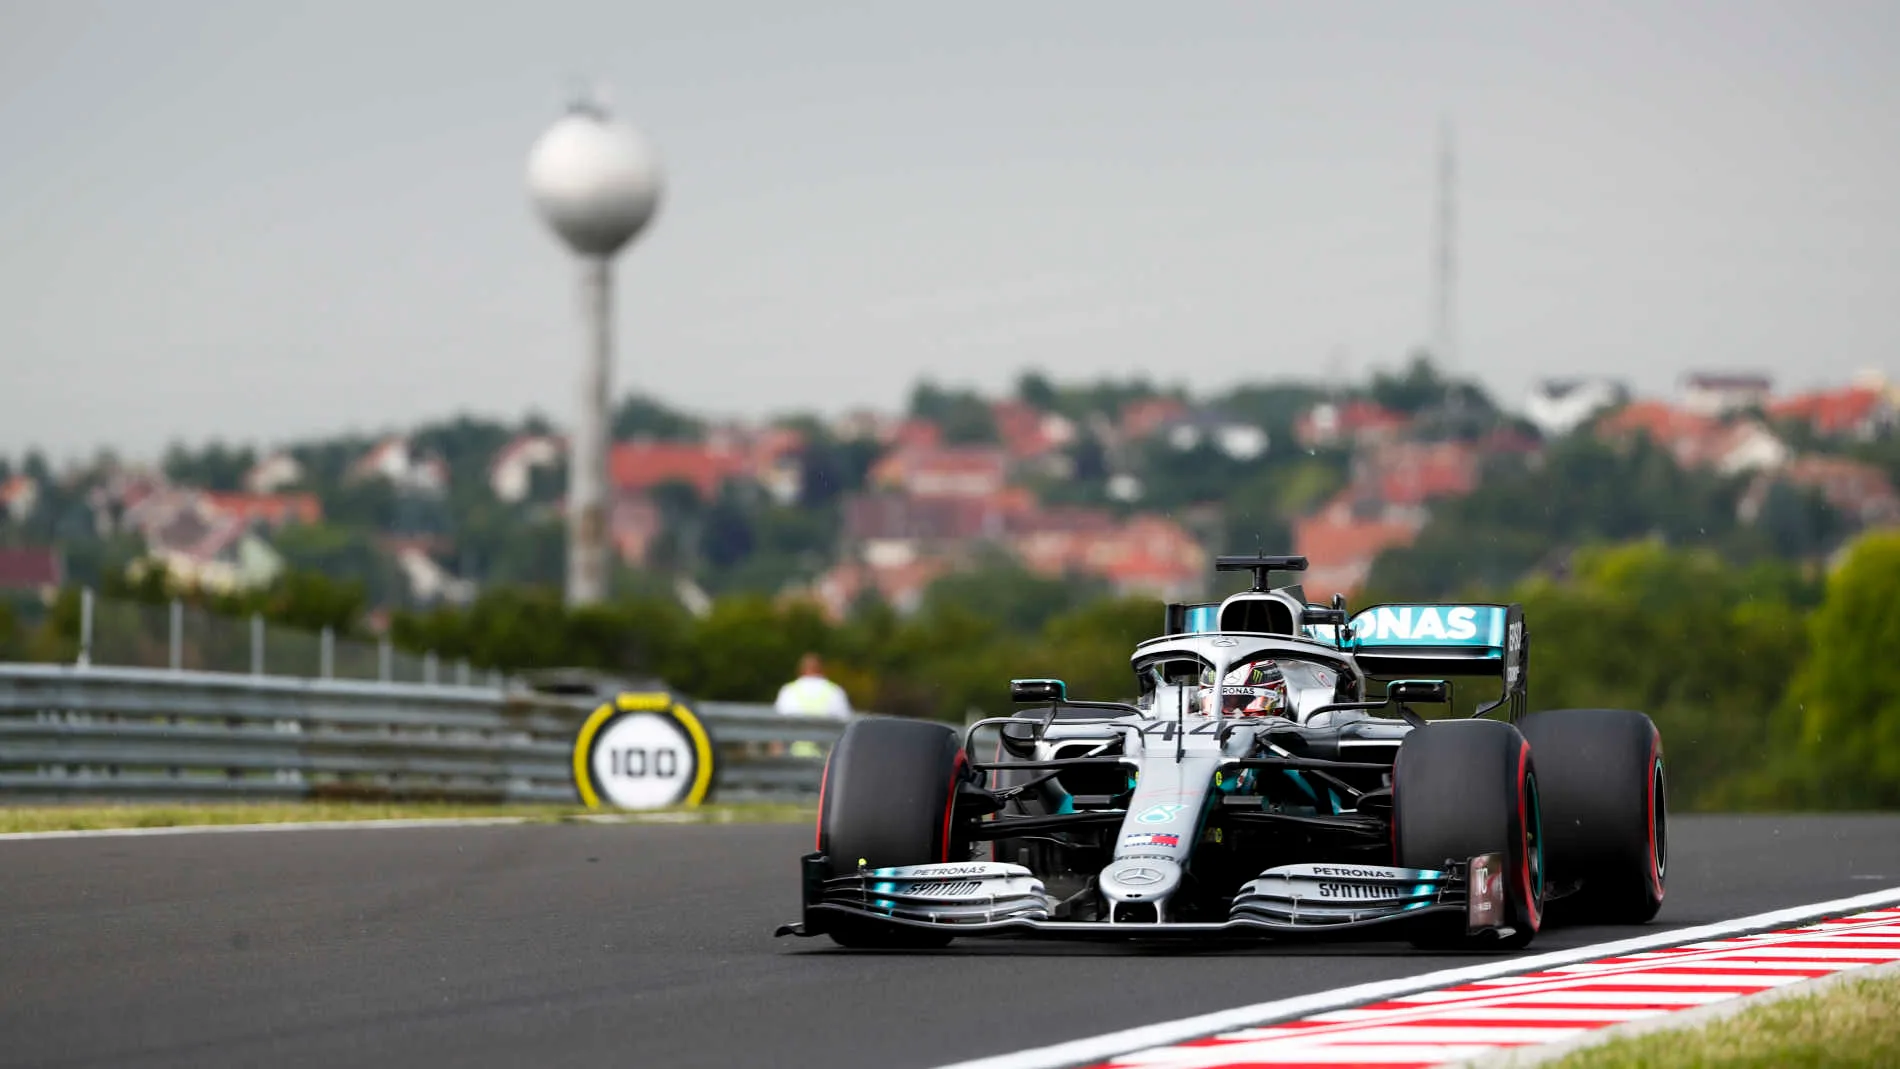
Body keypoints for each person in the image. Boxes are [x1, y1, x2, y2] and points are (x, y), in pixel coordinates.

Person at [774, 653, 852, 719]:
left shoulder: (788, 690)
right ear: (822, 669)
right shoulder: (835, 691)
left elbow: (777, 724)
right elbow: (846, 721)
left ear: (800, 669)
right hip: (826, 736)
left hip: (795, 737)